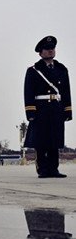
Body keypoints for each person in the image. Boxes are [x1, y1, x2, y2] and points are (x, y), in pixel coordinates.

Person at [24, 36, 72, 178]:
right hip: (41, 108)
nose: (50, 51)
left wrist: (67, 109)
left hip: (56, 108)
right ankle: (43, 169)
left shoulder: (61, 69)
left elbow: (66, 92)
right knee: (41, 140)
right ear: (40, 52)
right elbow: (28, 92)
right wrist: (30, 111)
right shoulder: (33, 70)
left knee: (55, 139)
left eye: (52, 49)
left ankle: (54, 169)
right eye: (47, 49)